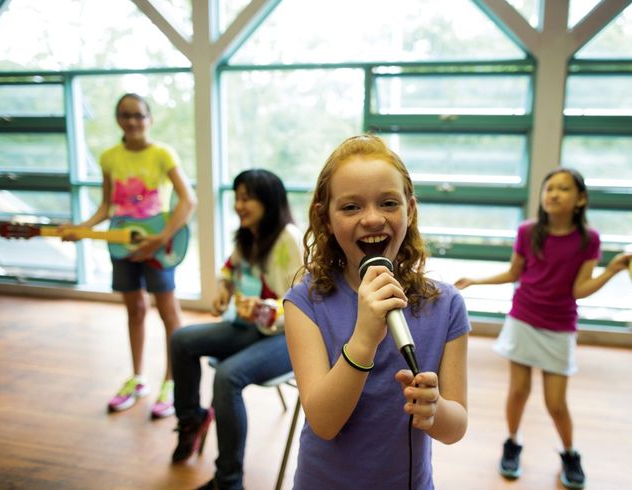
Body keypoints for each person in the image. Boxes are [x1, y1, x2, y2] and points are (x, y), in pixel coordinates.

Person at [284, 134, 470, 490]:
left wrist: (435, 410)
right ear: (325, 218)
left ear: (409, 210)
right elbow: (323, 422)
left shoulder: (446, 305)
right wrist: (364, 336)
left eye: (387, 203)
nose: (372, 219)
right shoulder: (304, 303)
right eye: (351, 207)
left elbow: (456, 426)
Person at [454, 168, 632, 490]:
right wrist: (475, 280)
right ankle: (512, 444)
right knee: (518, 392)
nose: (553, 194)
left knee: (556, 403)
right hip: (523, 319)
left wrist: (613, 271)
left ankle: (569, 453)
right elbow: (514, 273)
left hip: (559, 327)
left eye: (563, 189)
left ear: (580, 199)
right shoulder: (528, 231)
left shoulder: (588, 239)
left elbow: (579, 289)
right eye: (549, 187)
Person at [62, 93, 196, 419]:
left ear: (149, 118)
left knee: (169, 313)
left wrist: (159, 240)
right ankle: (137, 379)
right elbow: (107, 207)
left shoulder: (163, 154)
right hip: (120, 246)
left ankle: (171, 382)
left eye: (138, 114)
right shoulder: (109, 158)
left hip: (157, 248)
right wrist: (82, 228)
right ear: (118, 119)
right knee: (134, 310)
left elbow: (187, 201)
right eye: (126, 115)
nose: (133, 121)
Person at [169, 169, 304, 490]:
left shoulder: (288, 239)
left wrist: (268, 311)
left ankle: (228, 482)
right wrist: (223, 292)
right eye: (237, 197)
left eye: (247, 198)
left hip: (289, 338)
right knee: (181, 340)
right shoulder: (247, 235)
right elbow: (228, 271)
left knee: (227, 376)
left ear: (269, 202)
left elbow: (304, 302)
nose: (239, 205)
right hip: (251, 329)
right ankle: (191, 421)